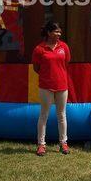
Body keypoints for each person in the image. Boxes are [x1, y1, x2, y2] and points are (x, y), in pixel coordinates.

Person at [32, 21, 71, 156]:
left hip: (62, 86)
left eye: (60, 32)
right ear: (48, 33)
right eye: (56, 31)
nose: (59, 34)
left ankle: (63, 143)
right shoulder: (39, 49)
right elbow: (36, 68)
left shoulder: (64, 47)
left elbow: (66, 63)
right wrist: (48, 76)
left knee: (62, 115)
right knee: (44, 115)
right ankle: (41, 145)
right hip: (46, 87)